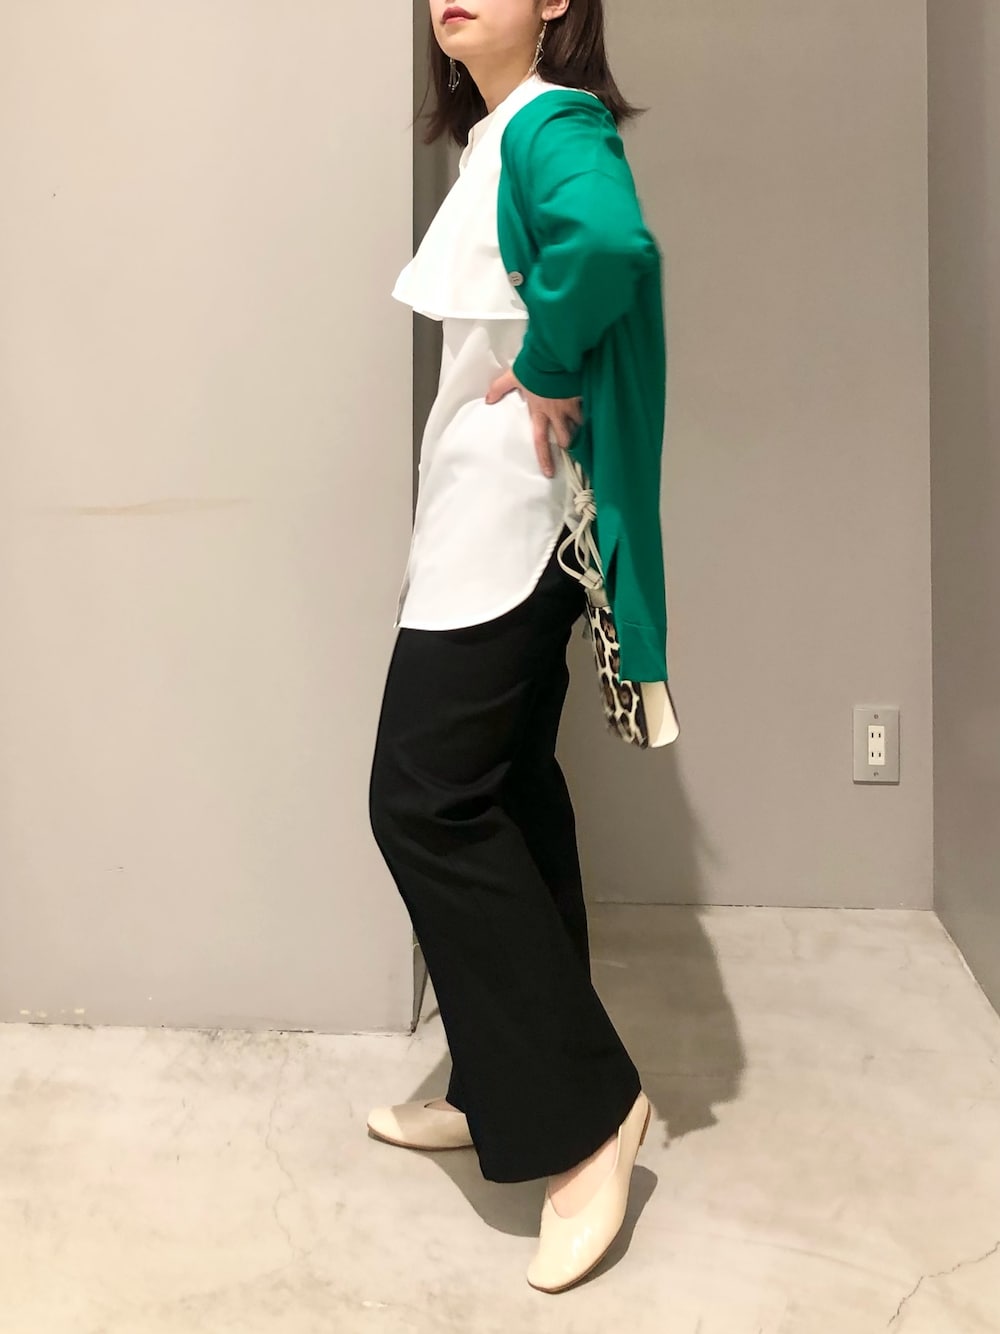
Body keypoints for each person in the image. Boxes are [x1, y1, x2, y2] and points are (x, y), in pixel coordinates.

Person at [367, 0, 668, 1295]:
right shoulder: (500, 135)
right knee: (505, 791)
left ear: (558, 2)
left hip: (513, 524)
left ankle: (586, 1117)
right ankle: (499, 1087)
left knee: (424, 800)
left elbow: (610, 243)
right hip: (492, 517)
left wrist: (548, 362)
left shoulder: (554, 123)